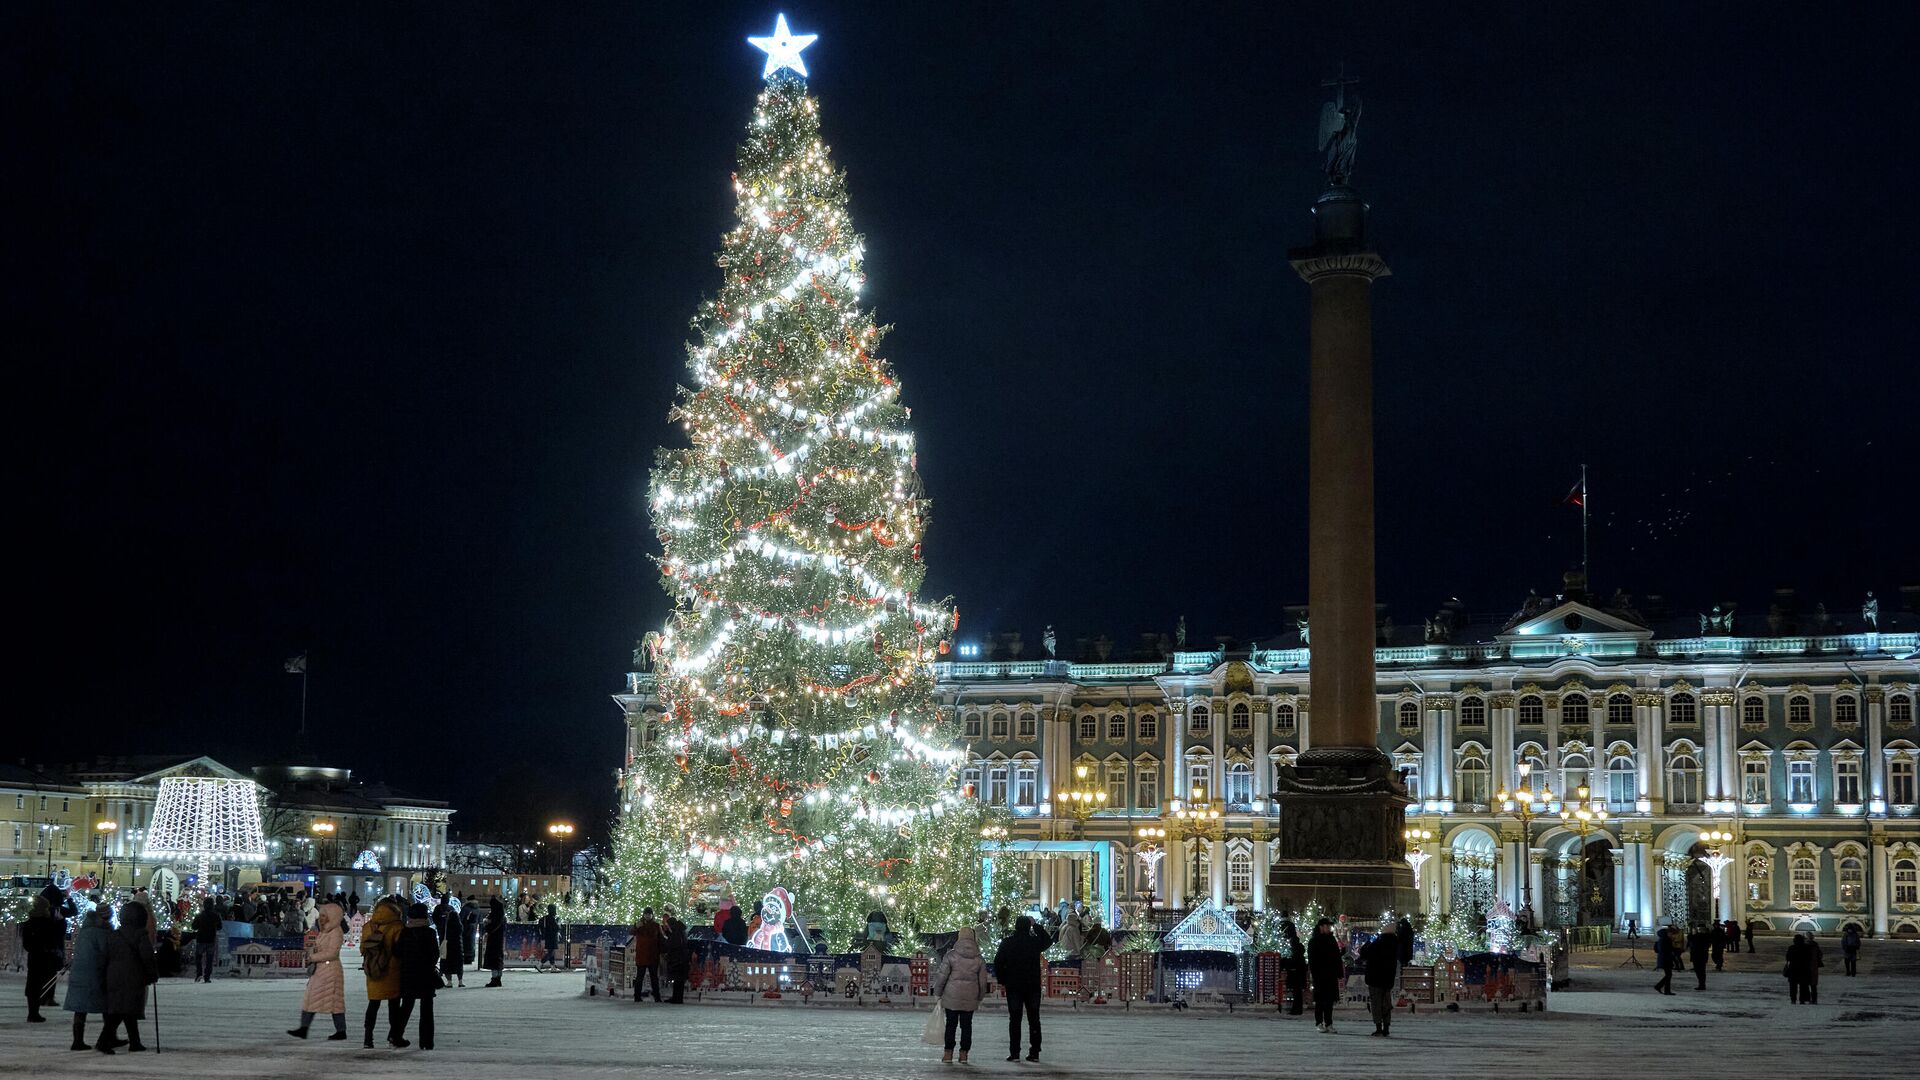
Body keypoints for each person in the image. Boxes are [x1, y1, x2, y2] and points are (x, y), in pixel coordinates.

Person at [96, 900, 157, 1054]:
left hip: (114, 976)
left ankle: (135, 1041)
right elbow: (147, 957)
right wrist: (152, 974)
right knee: (123, 1011)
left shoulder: (115, 935)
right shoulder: (140, 935)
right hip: (133, 976)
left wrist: (103, 976)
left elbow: (105, 956)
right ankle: (103, 1041)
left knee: (125, 1009)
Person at [992, 914, 1051, 1062]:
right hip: (1032, 986)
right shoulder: (1034, 942)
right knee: (1034, 1019)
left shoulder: (1008, 942)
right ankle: (1035, 1052)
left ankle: (1015, 1052)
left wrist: (1003, 979)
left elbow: (998, 962)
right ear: (1028, 926)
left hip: (1014, 986)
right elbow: (1048, 941)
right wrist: (1036, 925)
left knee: (1015, 1020)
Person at [289, 901, 349, 1040]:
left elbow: (332, 953)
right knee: (313, 998)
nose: (321, 918)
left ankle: (340, 1030)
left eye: (324, 916)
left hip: (331, 970)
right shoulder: (325, 931)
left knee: (334, 1001)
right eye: (321, 916)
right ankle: (305, 1028)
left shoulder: (335, 932)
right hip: (322, 969)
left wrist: (313, 956)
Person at [932, 926, 990, 1064]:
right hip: (970, 998)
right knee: (966, 1026)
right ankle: (964, 1054)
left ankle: (948, 1054)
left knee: (951, 1025)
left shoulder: (950, 956)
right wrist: (980, 996)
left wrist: (938, 993)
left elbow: (942, 977)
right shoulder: (979, 959)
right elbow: (983, 981)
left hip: (951, 996)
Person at [65, 908, 115, 1052]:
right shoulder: (102, 932)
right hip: (95, 973)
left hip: (78, 973)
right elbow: (106, 952)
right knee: (108, 1006)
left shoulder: (85, 930)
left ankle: (77, 1040)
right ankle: (109, 1037)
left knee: (80, 1008)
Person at [361, 896, 407, 1048]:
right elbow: (400, 950)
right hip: (392, 971)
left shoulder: (368, 926)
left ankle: (368, 1039)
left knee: (373, 1005)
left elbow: (363, 949)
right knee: (394, 1007)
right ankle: (393, 1037)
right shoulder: (397, 926)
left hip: (373, 970)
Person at [393, 903, 440, 1050]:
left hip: (408, 974)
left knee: (406, 1006)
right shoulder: (430, 933)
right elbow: (435, 954)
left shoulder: (405, 933)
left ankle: (397, 1035)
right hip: (426, 975)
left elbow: (397, 952)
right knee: (427, 1009)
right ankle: (427, 1041)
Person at [21, 895, 63, 1023]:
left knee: (33, 984)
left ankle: (32, 1012)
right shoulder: (49, 923)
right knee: (41, 985)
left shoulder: (29, 923)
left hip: (34, 957)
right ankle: (35, 1012)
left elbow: (26, 943)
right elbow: (56, 937)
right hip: (45, 957)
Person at [1360, 923, 1398, 1036]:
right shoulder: (1394, 944)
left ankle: (1378, 1027)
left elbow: (1364, 954)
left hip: (1375, 978)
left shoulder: (1378, 943)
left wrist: (1367, 943)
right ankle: (1386, 1027)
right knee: (1386, 1003)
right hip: (1388, 979)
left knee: (1376, 1004)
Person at [1307, 918, 1342, 1032]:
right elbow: (1312, 960)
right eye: (1327, 926)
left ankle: (1329, 1023)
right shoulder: (1314, 941)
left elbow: (1337, 957)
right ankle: (1319, 1022)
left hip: (1331, 974)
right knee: (1320, 1001)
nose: (1329, 928)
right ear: (1321, 927)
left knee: (1329, 1001)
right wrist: (1315, 974)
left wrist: (1338, 971)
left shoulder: (1331, 940)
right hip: (1320, 975)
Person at [630, 908, 663, 1002]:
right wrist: (636, 926)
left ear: (652, 915)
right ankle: (637, 997)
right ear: (644, 915)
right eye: (646, 914)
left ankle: (657, 997)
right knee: (640, 977)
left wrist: (661, 951)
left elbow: (661, 939)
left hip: (652, 956)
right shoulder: (639, 925)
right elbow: (631, 932)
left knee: (654, 978)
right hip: (642, 956)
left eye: (649, 914)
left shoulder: (656, 925)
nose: (647, 916)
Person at [662, 906, 691, 1003]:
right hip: (682, 959)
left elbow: (673, 944)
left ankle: (677, 998)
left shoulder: (676, 933)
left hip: (677, 959)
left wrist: (666, 940)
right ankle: (677, 997)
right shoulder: (680, 931)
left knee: (677, 980)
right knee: (679, 980)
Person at [435, 899, 466, 988]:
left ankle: (449, 982)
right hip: (457, 946)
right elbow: (460, 932)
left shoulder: (444, 922)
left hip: (447, 944)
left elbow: (441, 931)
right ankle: (460, 981)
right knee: (458, 964)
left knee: (447, 964)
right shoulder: (458, 924)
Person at [191, 896, 222, 983]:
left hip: (200, 938)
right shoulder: (216, 915)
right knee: (209, 959)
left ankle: (199, 973)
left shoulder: (200, 915)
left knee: (198, 957)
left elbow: (194, 926)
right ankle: (207, 976)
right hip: (211, 939)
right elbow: (220, 927)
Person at [1280, 919, 1306, 1016]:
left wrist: (1288, 966)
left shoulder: (1295, 952)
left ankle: (1296, 1009)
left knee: (1296, 992)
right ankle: (1297, 1009)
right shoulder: (1299, 951)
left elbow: (1293, 962)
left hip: (1295, 974)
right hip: (1298, 974)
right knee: (1297, 993)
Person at [481, 897, 506, 988]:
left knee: (494, 960)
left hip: (493, 940)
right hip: (499, 940)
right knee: (498, 959)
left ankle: (494, 979)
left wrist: (486, 925)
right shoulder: (501, 915)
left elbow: (491, 927)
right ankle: (498, 979)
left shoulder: (495, 915)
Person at [1785, 933, 1811, 1004]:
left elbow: (1788, 958)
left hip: (1793, 969)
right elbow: (1809, 958)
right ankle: (1802, 999)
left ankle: (1793, 999)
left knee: (1793, 986)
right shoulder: (1806, 948)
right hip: (1803, 969)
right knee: (1803, 985)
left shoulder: (1791, 948)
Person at [1653, 926, 1676, 995]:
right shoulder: (1665, 939)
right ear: (1668, 933)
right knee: (1669, 975)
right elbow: (1666, 950)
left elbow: (1657, 949)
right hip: (1666, 959)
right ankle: (1660, 987)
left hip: (1664, 958)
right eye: (1672, 934)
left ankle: (1665, 989)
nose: (1672, 935)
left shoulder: (1662, 938)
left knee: (1668, 975)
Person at [1688, 924, 1712, 990]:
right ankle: (1702, 984)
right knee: (1701, 971)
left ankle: (1701, 985)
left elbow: (1690, 938)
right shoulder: (1707, 936)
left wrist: (1692, 932)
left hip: (1697, 956)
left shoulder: (1698, 936)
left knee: (1699, 971)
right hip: (1702, 956)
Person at [539, 904, 561, 970]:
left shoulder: (545, 918)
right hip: (553, 937)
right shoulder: (553, 918)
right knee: (551, 952)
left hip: (547, 937)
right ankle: (540, 964)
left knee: (551, 952)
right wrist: (558, 923)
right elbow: (557, 928)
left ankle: (552, 967)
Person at [1804, 933, 1823, 1004]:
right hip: (1813, 967)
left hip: (1806, 967)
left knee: (1806, 983)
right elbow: (1820, 955)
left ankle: (1808, 998)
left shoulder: (1805, 945)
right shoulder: (1815, 945)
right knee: (1813, 985)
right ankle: (1814, 999)